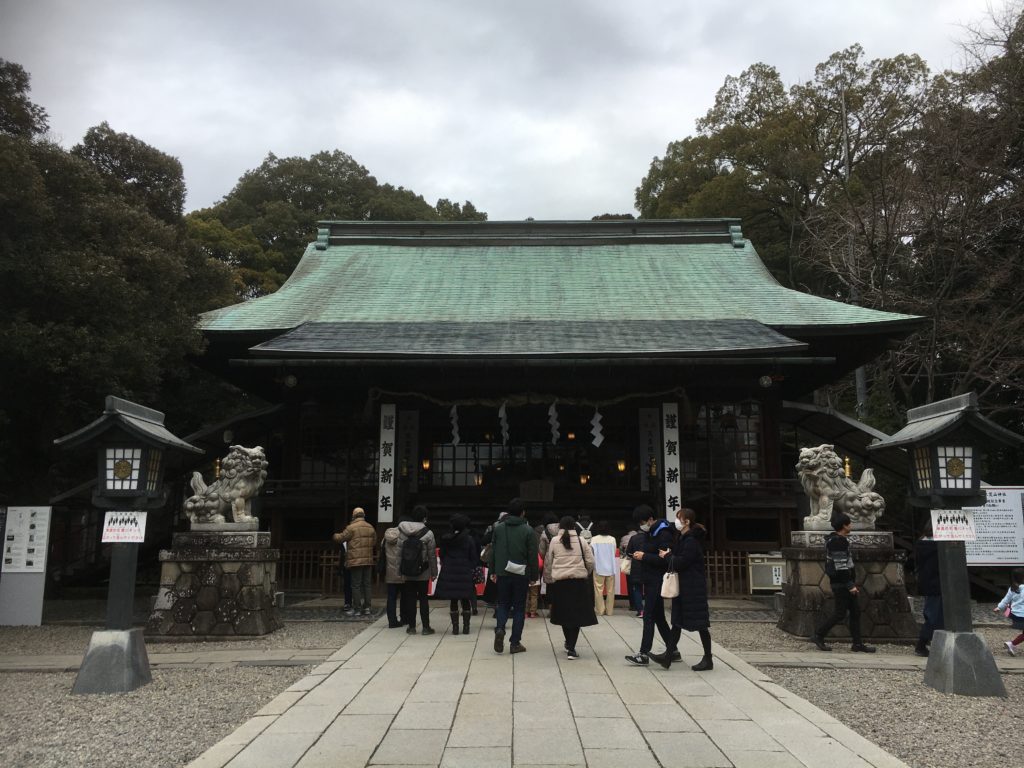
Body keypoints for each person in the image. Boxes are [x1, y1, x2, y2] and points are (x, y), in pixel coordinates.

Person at [649, 508, 713, 671]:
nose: (676, 521)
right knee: (677, 622)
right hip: (685, 585)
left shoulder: (691, 540)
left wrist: (668, 556)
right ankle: (668, 656)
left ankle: (708, 658)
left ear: (687, 521)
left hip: (692, 586)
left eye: (679, 518)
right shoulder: (684, 538)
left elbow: (683, 562)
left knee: (700, 624)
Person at [811, 513, 876, 653]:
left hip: (843, 582)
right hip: (841, 583)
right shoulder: (838, 541)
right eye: (849, 523)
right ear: (844, 526)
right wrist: (850, 585)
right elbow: (840, 565)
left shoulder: (836, 540)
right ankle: (819, 634)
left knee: (855, 612)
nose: (851, 526)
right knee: (840, 613)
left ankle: (857, 643)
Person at [487, 498, 538, 654]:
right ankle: (515, 643)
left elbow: (493, 551)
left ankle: (500, 628)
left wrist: (492, 570)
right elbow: (532, 555)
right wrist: (534, 575)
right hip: (521, 573)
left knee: (503, 604)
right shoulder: (529, 531)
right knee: (519, 608)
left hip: (503, 571)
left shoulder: (499, 528)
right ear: (523, 513)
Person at [625, 504, 674, 666]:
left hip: (657, 579)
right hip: (651, 578)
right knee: (659, 617)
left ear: (651, 519)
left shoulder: (663, 532)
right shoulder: (652, 532)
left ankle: (644, 653)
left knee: (649, 616)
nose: (642, 525)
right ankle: (672, 649)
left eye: (643, 522)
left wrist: (644, 556)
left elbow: (663, 558)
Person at [544, 515, 598, 659]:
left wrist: (549, 578)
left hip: (560, 583)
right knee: (577, 616)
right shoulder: (581, 541)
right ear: (574, 526)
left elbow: (549, 561)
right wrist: (586, 573)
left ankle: (568, 642)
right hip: (578, 582)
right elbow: (591, 561)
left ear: (560, 527)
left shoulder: (555, 541)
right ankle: (572, 647)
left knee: (564, 615)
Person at [397, 505, 438, 635]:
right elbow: (432, 555)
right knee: (423, 599)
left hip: (408, 571)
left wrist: (399, 570)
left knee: (410, 598)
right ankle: (426, 627)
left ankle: (411, 627)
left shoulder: (403, 531)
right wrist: (434, 572)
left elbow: (399, 553)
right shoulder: (428, 533)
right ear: (424, 518)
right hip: (423, 571)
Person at [434, 513, 477, 635]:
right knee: (465, 600)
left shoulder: (446, 538)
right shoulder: (469, 539)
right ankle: (467, 627)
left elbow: (442, 554)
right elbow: (473, 557)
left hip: (450, 571)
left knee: (453, 600)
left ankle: (455, 628)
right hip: (464, 572)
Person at [332, 507, 378, 616]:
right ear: (363, 515)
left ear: (353, 516)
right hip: (368, 560)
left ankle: (357, 608)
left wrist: (334, 535)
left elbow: (341, 538)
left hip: (356, 560)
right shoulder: (370, 527)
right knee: (367, 584)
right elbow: (374, 542)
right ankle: (367, 607)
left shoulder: (351, 527)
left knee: (356, 585)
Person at [913, 520, 942, 657]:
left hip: (927, 583)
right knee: (934, 616)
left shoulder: (921, 543)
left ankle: (932, 643)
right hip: (937, 583)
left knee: (932, 613)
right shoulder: (938, 545)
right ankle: (921, 644)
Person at [590, 521, 618, 616]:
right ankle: (609, 611)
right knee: (610, 591)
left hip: (598, 567)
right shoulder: (612, 539)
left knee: (598, 590)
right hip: (610, 568)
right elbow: (614, 551)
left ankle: (600, 610)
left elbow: (592, 552)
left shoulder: (594, 539)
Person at [380, 521, 405, 628]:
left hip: (390, 572)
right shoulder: (404, 537)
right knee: (405, 597)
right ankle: (404, 618)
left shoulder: (386, 537)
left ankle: (392, 621)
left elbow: (382, 550)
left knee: (391, 597)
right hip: (403, 572)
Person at [994, 567, 1024, 656]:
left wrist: (999, 607)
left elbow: (1006, 599)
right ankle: (1012, 644)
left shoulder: (1013, 588)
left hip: (1015, 614)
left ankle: (1012, 644)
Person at [620, 525, 642, 614]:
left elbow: (624, 551)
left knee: (633, 586)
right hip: (645, 564)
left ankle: (635, 606)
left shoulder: (626, 538)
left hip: (632, 565)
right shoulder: (646, 537)